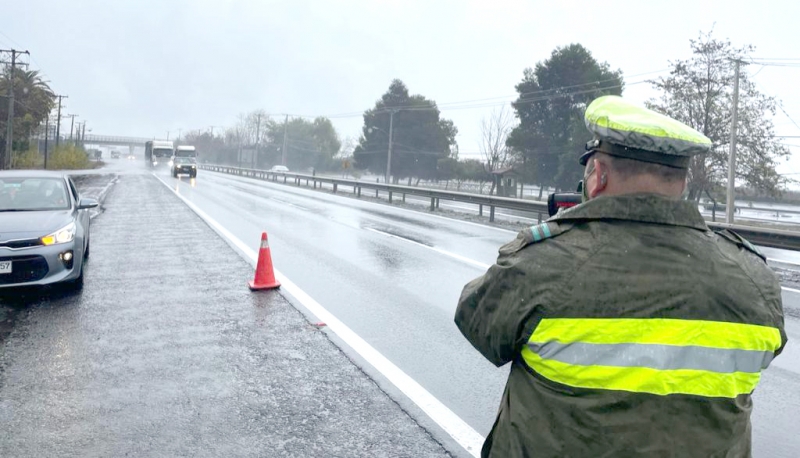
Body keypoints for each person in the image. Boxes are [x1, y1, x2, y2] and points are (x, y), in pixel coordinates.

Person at [454, 95, 787, 458]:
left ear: (598, 176)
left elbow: (477, 321)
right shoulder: (756, 280)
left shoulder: (544, 265)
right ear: (682, 183)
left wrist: (563, 229)